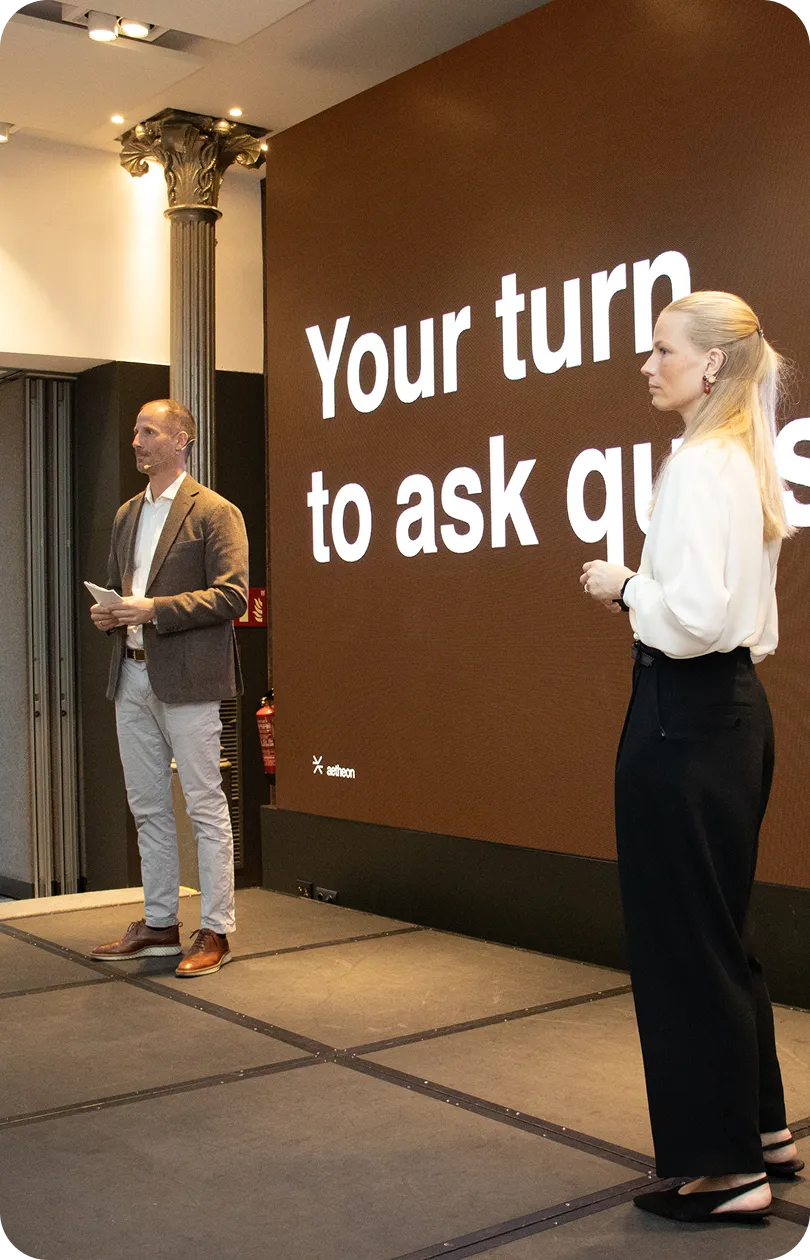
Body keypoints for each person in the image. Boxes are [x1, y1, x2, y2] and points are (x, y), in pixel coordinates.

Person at [580, 291, 802, 1223]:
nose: (648, 363)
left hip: (685, 717)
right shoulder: (738, 461)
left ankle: (725, 1172)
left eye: (662, 348)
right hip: (726, 717)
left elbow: (699, 618)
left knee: (683, 945)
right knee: (717, 935)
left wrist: (627, 585)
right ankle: (760, 1134)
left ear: (711, 364)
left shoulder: (704, 464)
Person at [89, 399, 248, 977]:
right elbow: (121, 588)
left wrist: (152, 608)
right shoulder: (126, 513)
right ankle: (159, 924)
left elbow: (232, 595)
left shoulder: (215, 511)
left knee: (204, 806)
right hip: (130, 673)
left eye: (148, 431)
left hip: (189, 679)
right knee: (148, 807)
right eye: (135, 431)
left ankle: (216, 929)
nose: (136, 441)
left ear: (181, 440)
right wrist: (110, 613)